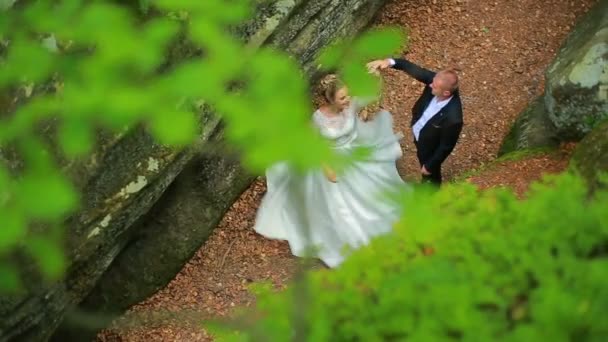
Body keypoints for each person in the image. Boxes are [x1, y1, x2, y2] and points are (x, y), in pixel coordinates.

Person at [253, 74, 407, 268]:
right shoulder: (318, 118)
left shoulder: (352, 105)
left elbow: (373, 93)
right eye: (343, 98)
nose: (348, 100)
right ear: (331, 99)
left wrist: (376, 75)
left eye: (348, 95)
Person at [367, 58, 463, 185]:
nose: (430, 85)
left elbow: (446, 146)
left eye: (434, 86)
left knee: (430, 173)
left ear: (446, 93)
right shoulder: (436, 81)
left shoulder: (454, 118)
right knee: (421, 159)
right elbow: (413, 69)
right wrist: (389, 62)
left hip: (430, 146)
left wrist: (429, 166)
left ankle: (431, 190)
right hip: (420, 134)